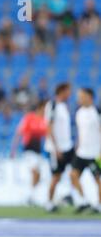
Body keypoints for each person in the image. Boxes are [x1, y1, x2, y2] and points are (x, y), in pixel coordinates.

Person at [11, 100, 48, 206]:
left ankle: (30, 196)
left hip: (38, 151)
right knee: (34, 171)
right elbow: (19, 133)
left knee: (39, 175)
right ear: (40, 107)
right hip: (28, 150)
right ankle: (29, 196)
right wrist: (13, 150)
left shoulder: (44, 120)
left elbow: (46, 135)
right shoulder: (29, 118)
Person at [69, 88, 101, 213]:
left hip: (95, 153)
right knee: (73, 175)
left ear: (89, 96)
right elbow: (80, 132)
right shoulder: (79, 113)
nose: (79, 99)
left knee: (98, 180)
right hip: (82, 152)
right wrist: (77, 145)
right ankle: (84, 201)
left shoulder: (97, 112)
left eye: (81, 96)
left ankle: (98, 205)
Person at [44, 83, 74, 212]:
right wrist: (56, 148)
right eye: (68, 91)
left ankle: (69, 195)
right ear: (62, 91)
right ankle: (49, 202)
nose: (70, 94)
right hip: (56, 148)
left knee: (75, 172)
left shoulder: (64, 106)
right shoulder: (53, 105)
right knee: (56, 176)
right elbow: (49, 127)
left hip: (68, 146)